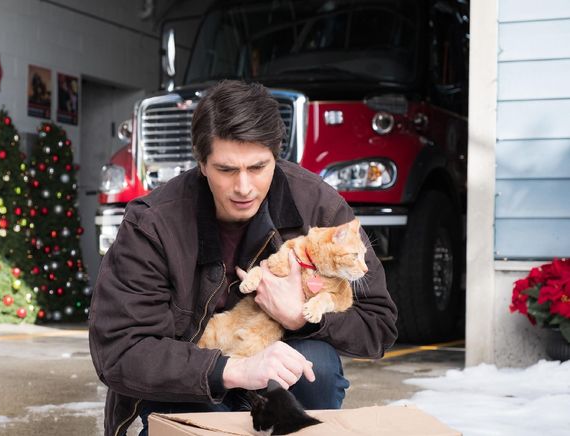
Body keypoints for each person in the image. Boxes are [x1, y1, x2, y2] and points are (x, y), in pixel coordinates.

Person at [89, 80, 398, 436]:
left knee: (320, 367)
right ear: (202, 163)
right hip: (188, 390)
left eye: (257, 167)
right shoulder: (152, 224)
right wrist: (229, 370)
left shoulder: (319, 205)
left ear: (276, 155)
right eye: (226, 170)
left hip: (272, 390)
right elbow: (120, 352)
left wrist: (303, 318)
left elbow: (379, 324)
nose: (244, 187)